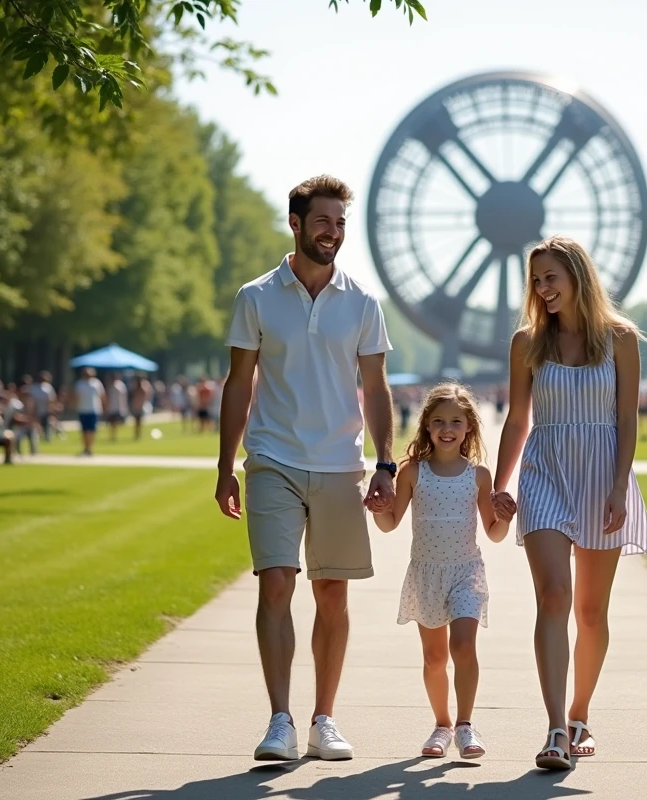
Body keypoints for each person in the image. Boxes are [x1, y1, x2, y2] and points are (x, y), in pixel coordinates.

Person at [214, 175, 396, 763]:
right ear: (295, 223)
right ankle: (279, 719)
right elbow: (239, 383)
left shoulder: (363, 303)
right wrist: (225, 466)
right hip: (272, 460)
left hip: (340, 465)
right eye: (323, 221)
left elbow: (376, 386)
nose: (333, 232)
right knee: (277, 581)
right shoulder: (256, 296)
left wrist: (387, 462)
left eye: (340, 223)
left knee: (332, 595)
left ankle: (324, 719)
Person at [491, 235, 647, 771]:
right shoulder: (526, 343)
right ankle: (556, 728)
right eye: (535, 281)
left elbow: (627, 420)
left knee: (590, 610)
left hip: (601, 475)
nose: (541, 290)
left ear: (577, 278)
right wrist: (500, 484)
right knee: (554, 596)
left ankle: (581, 712)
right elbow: (518, 420)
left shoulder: (621, 339)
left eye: (550, 279)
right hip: (544, 474)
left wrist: (617, 486)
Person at [372, 383, 511, 760]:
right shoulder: (413, 472)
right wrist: (377, 508)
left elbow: (494, 534)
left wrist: (505, 518)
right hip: (426, 575)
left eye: (455, 421)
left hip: (466, 573)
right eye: (438, 421)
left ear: (469, 427)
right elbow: (391, 524)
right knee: (434, 658)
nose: (446, 428)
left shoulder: (479, 476)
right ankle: (442, 725)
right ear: (426, 427)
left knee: (462, 646)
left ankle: (465, 725)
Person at [73, 367, 106, 456]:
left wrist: (104, 407)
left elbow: (102, 396)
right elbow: (76, 396)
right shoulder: (79, 384)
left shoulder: (96, 383)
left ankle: (90, 448)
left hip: (94, 409)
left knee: (91, 430)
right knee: (84, 431)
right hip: (82, 409)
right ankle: (85, 448)